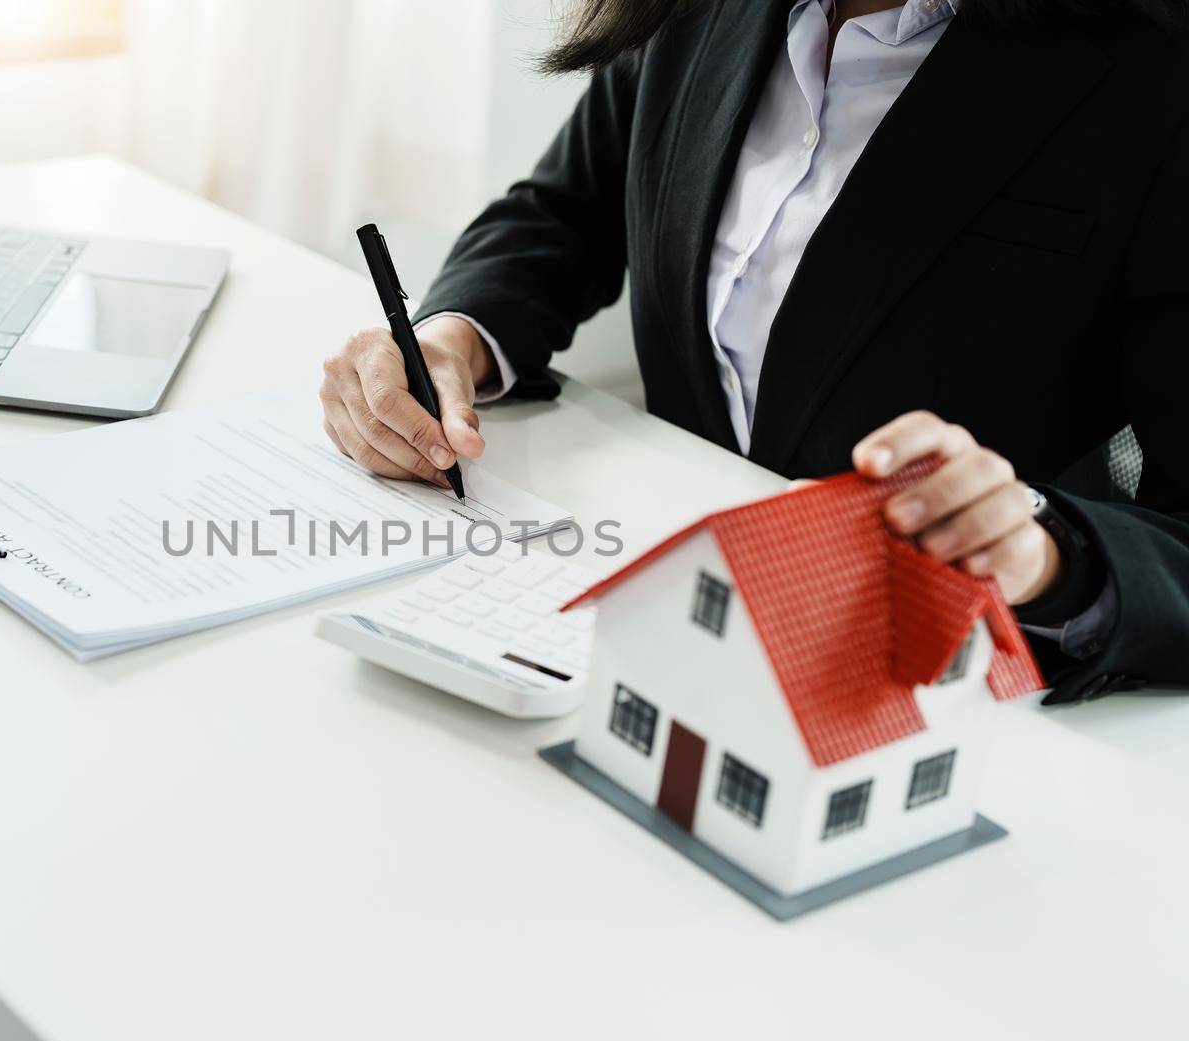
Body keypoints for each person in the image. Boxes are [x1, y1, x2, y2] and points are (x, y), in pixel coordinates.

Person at [318, 0, 1189, 704]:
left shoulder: (1151, 70)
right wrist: (451, 337)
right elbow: (565, 210)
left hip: (945, 697)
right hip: (649, 627)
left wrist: (1046, 556)